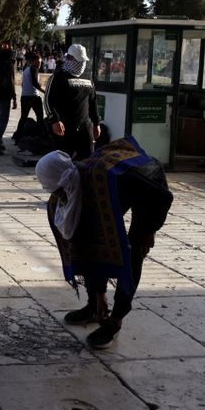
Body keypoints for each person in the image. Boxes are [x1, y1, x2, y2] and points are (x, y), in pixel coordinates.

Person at [35, 137, 173, 349]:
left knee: (133, 251)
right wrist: (99, 294)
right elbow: (84, 242)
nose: (51, 193)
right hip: (122, 190)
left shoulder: (108, 177)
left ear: (60, 179)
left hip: (149, 186)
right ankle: (94, 306)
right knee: (88, 236)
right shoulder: (72, 183)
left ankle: (115, 320)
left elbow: (163, 197)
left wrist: (149, 230)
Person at [44, 43, 100, 160]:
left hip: (85, 128)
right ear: (69, 59)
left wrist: (96, 123)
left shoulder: (88, 78)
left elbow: (93, 101)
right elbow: (48, 100)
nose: (81, 64)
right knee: (62, 163)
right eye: (78, 61)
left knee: (88, 162)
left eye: (83, 61)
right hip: (64, 128)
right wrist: (54, 120)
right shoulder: (58, 77)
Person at [14, 52, 46, 141]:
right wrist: (45, 92)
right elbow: (35, 84)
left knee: (23, 118)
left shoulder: (26, 69)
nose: (39, 64)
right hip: (34, 97)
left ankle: (17, 137)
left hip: (25, 97)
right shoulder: (34, 69)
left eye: (40, 62)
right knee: (40, 117)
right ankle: (42, 137)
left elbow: (23, 84)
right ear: (33, 62)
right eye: (37, 62)